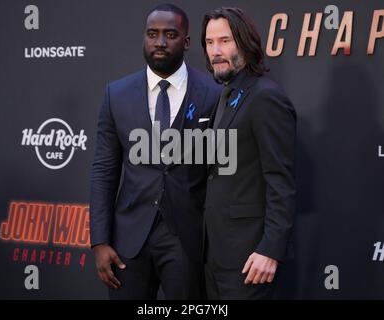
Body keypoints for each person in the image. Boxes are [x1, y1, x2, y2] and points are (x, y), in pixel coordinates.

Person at [89, 3, 220, 300]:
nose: (160, 42)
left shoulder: (212, 93)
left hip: (188, 238)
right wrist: (99, 241)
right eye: (152, 34)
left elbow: (221, 171)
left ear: (186, 42)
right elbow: (104, 170)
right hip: (128, 239)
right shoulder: (116, 95)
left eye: (170, 34)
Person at [201, 7, 296, 299]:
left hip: (250, 261)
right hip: (217, 258)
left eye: (225, 41)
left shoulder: (265, 97)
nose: (216, 51)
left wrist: (270, 249)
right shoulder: (225, 96)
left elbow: (280, 180)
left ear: (245, 43)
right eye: (209, 42)